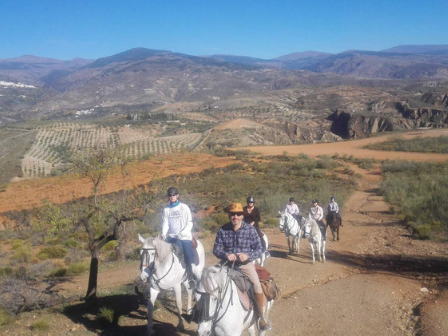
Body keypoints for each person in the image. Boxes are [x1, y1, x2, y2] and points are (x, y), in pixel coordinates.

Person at [213, 203, 271, 331]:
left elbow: (260, 248)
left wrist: (247, 255)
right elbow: (216, 249)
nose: (235, 217)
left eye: (238, 214)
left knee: (256, 284)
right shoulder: (223, 230)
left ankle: (261, 317)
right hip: (227, 264)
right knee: (210, 280)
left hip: (245, 265)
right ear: (229, 216)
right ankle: (201, 315)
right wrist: (225, 254)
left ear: (242, 216)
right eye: (232, 214)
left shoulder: (250, 230)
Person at [161, 186, 196, 289]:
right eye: (170, 195)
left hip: (184, 237)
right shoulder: (166, 210)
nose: (172, 197)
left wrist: (182, 233)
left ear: (177, 196)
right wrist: (163, 234)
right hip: (172, 237)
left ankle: (191, 278)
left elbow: (189, 222)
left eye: (173, 195)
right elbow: (165, 223)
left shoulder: (184, 207)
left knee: (188, 258)